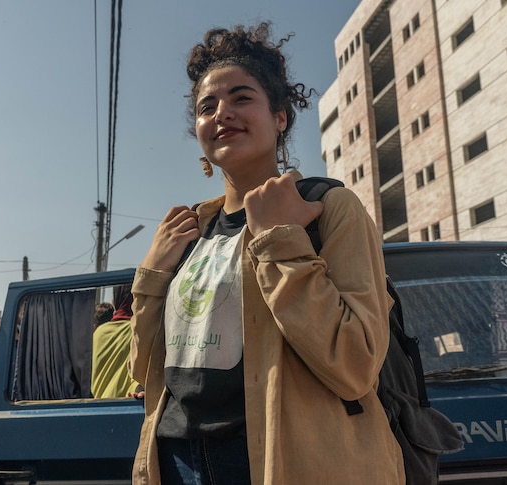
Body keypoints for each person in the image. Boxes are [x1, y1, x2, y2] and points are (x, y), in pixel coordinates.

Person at [128, 22, 403, 485]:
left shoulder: (328, 208)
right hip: (175, 459)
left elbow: (355, 366)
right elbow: (145, 371)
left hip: (281, 461)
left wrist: (280, 239)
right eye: (206, 106)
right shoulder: (188, 230)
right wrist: (153, 275)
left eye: (241, 98)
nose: (221, 114)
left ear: (280, 117)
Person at [91, 286, 139, 399]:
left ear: (116, 299)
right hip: (129, 405)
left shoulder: (98, 333)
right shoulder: (139, 331)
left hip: (96, 405)